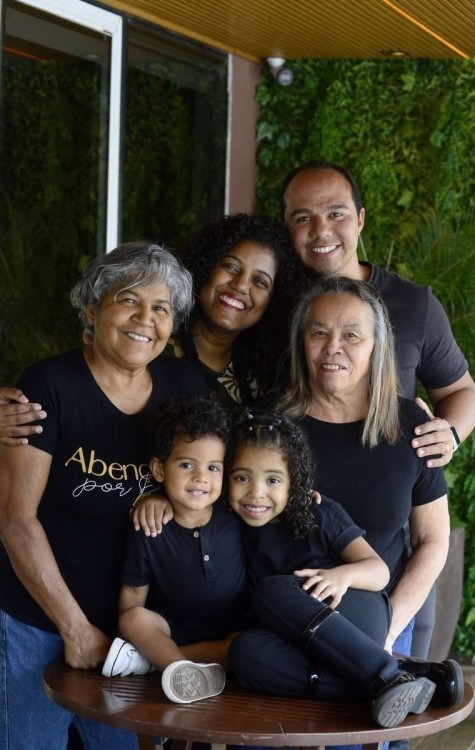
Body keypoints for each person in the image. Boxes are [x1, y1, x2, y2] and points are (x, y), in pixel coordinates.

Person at [0, 242, 209, 749]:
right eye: (129, 301)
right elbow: (16, 519)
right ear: (93, 309)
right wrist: (72, 627)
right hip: (36, 622)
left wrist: (173, 500)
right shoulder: (50, 386)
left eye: (161, 308)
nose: (145, 319)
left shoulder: (185, 386)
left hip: (129, 635)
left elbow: (219, 472)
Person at [225, 410, 464, 728]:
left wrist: (341, 576)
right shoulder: (231, 525)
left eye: (273, 480)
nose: (256, 492)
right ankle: (401, 680)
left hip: (354, 614)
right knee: (245, 653)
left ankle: (383, 672)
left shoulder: (318, 513)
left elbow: (378, 571)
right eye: (242, 477)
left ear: (294, 482)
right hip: (298, 642)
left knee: (271, 591)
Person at [273, 275, 450, 662]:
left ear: (376, 346)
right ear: (302, 341)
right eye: (319, 332)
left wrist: (388, 627)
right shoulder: (269, 427)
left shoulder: (412, 429)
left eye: (352, 336)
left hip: (381, 623)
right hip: (281, 626)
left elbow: (433, 541)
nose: (332, 347)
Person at [0, 214, 294, 444]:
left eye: (260, 281)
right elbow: (68, 394)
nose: (240, 285)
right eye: (230, 267)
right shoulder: (143, 339)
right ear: (206, 267)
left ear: (273, 300)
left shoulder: (264, 375)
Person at [280, 158, 475, 471]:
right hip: (290, 499)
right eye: (303, 218)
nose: (321, 230)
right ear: (287, 228)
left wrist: (449, 434)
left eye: (336, 213)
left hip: (389, 503)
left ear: (359, 219)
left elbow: (461, 390)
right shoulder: (272, 304)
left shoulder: (413, 304)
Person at [102, 397, 251, 704]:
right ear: (159, 469)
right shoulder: (151, 527)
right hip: (170, 628)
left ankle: (161, 663)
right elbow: (132, 598)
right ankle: (174, 665)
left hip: (228, 631)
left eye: (213, 468)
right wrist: (138, 633)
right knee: (132, 619)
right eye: (186, 464)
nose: (201, 477)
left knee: (248, 646)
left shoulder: (234, 516)